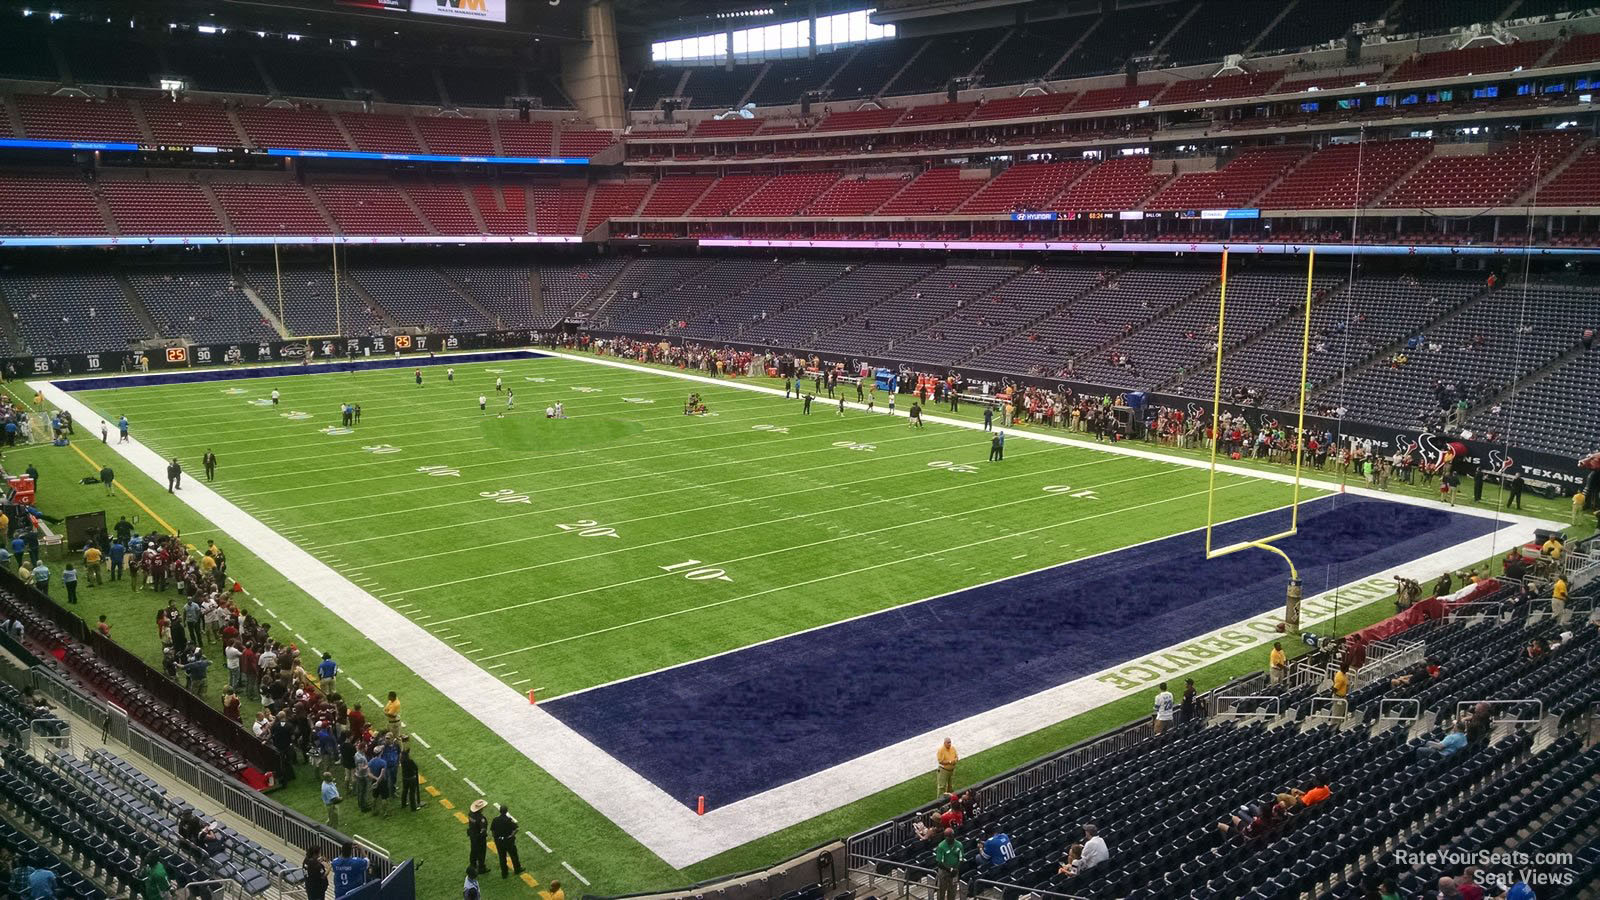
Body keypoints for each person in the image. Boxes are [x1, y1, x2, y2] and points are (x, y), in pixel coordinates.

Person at [491, 804, 523, 878]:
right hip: (508, 841)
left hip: (499, 841)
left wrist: (495, 838)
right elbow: (516, 829)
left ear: (500, 811)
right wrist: (511, 835)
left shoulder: (495, 819)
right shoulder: (508, 820)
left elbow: (492, 830)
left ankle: (504, 873)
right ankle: (517, 869)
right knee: (513, 855)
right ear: (506, 811)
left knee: (502, 857)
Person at [932, 829, 962, 900]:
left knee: (952, 891)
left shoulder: (959, 845)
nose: (950, 838)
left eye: (951, 836)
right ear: (945, 837)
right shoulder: (941, 846)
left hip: (955, 872)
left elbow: (961, 859)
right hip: (944, 872)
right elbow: (939, 863)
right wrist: (950, 869)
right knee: (941, 891)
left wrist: (956, 869)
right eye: (948, 836)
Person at [466, 799, 489, 876]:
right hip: (479, 838)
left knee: (473, 850)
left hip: (472, 836)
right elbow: (483, 830)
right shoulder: (481, 818)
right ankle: (481, 868)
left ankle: (473, 865)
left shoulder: (470, 814)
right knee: (481, 853)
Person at [401, 742, 422, 810]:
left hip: (405, 778)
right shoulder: (410, 761)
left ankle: (403, 804)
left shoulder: (402, 761)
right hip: (411, 778)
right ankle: (413, 807)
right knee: (412, 793)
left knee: (405, 791)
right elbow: (416, 768)